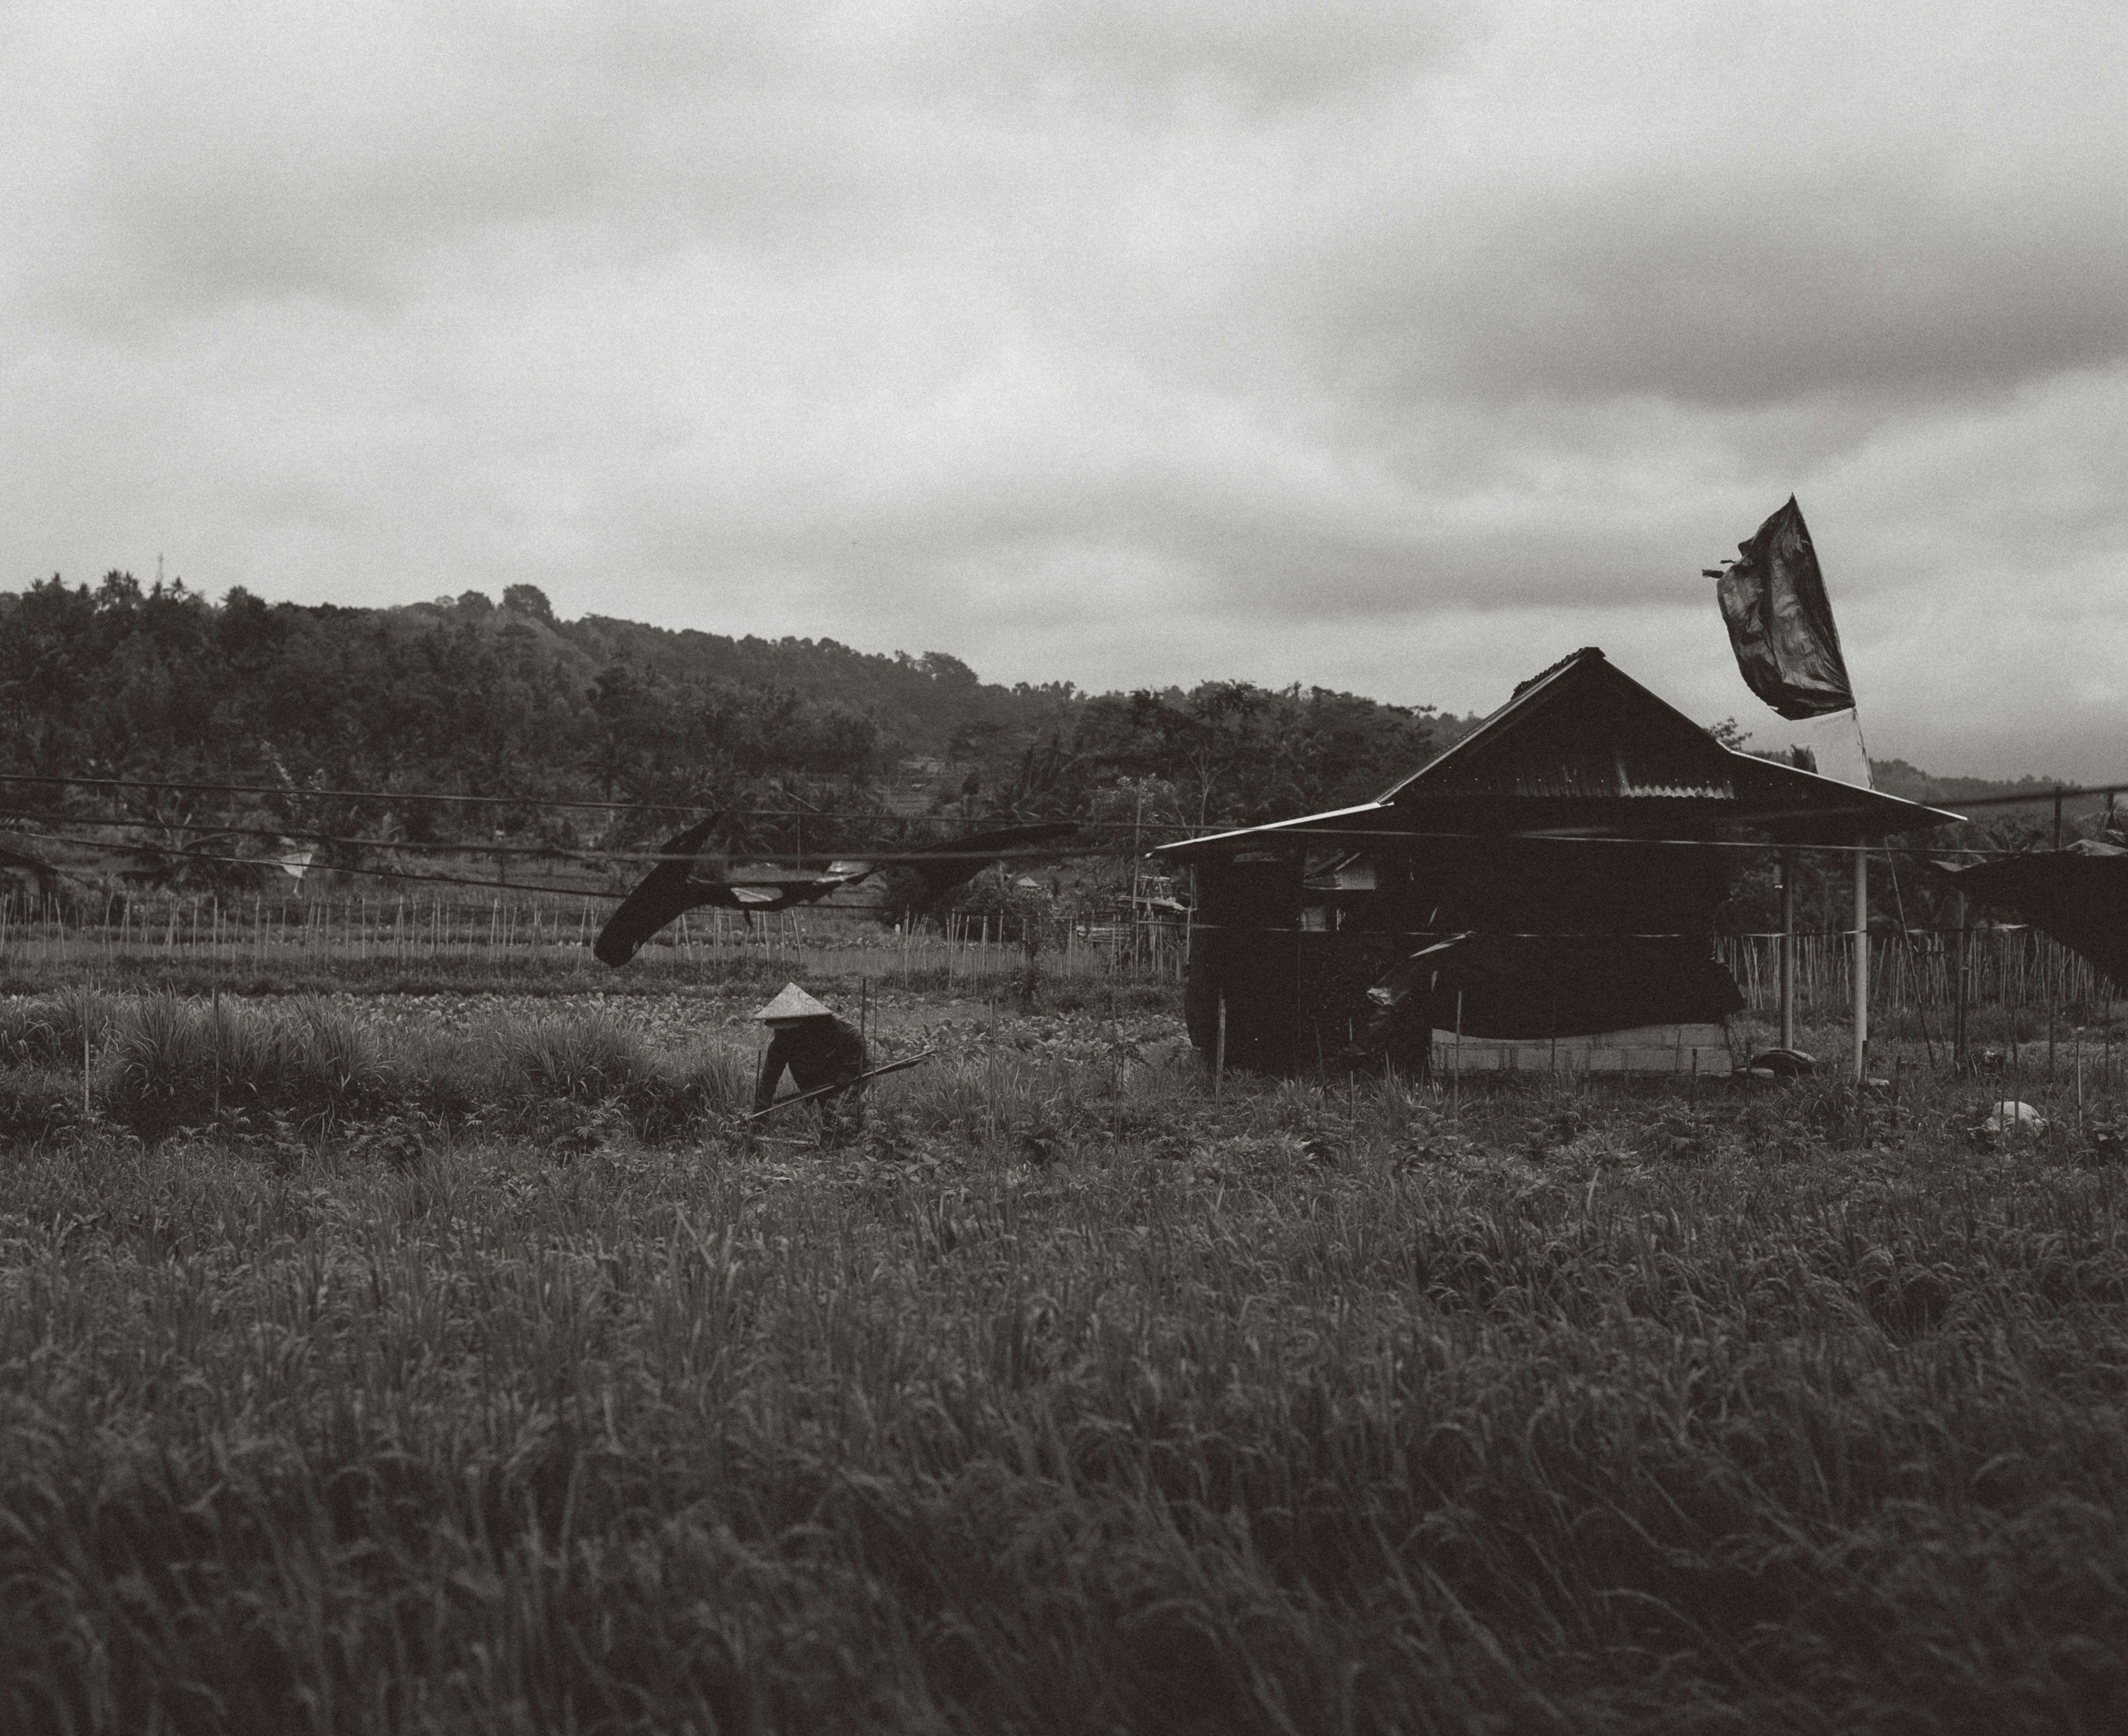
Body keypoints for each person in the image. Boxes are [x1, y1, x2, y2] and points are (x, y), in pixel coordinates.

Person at [751, 982, 868, 1140]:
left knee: (834, 1110)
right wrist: (760, 1114)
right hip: (821, 1075)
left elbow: (857, 1042)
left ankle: (839, 1148)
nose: (784, 1033)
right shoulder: (781, 1044)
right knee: (830, 1113)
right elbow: (769, 1080)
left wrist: (847, 1072)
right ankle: (836, 1143)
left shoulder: (829, 1025)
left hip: (851, 1068)